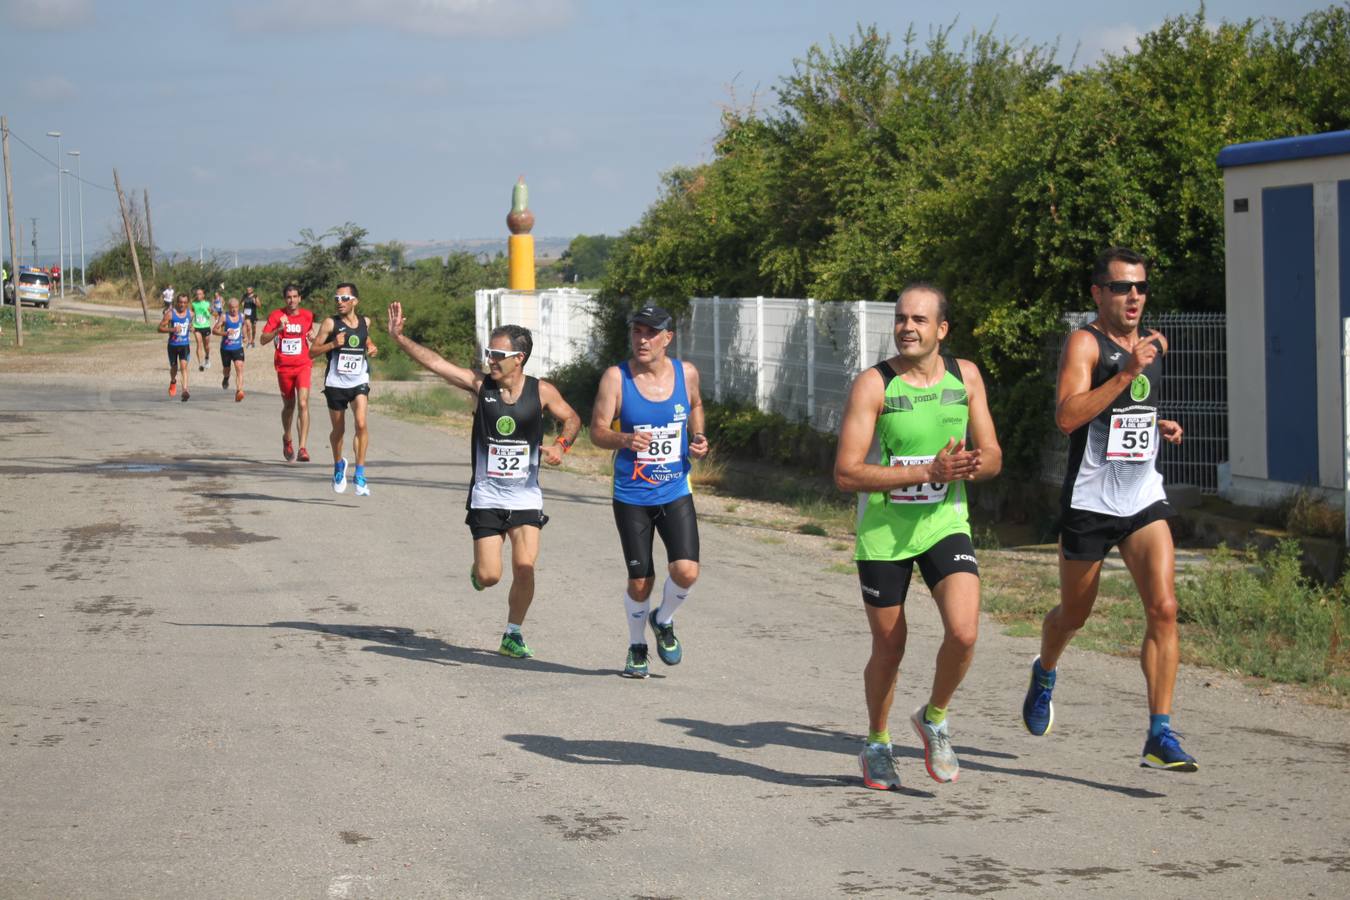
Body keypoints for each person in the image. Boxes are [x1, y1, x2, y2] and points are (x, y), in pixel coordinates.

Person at [1021, 246, 1196, 771]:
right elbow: (1069, 417)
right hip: (1091, 501)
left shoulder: (1149, 344)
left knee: (1164, 608)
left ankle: (1159, 734)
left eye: (1140, 286)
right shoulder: (1085, 343)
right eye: (1122, 287)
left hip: (1141, 494)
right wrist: (1124, 374)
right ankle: (1046, 669)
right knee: (1074, 614)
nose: (1134, 296)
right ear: (1099, 293)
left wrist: (1157, 425)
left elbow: (1131, 410)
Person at [834, 282, 1002, 790]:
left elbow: (993, 454)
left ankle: (934, 718)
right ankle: (878, 741)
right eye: (902, 318)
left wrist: (970, 467)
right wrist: (927, 470)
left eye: (920, 320)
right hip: (884, 534)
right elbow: (846, 473)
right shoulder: (875, 385)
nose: (908, 327)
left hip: (943, 525)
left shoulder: (965, 376)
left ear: (942, 330)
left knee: (965, 631)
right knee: (890, 647)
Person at [387, 301, 581, 659]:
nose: (489, 358)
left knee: (524, 568)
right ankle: (478, 572)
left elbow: (572, 418)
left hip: (524, 498)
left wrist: (561, 445)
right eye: (488, 351)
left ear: (518, 358)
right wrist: (400, 338)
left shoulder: (542, 391)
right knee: (491, 576)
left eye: (497, 353)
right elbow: (435, 363)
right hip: (487, 496)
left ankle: (513, 633)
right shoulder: (480, 386)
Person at [589, 306, 710, 679]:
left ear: (667, 338)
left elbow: (696, 404)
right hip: (632, 495)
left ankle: (664, 619)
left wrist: (699, 437)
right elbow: (596, 431)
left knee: (686, 571)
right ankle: (637, 645)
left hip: (675, 488)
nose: (642, 339)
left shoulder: (685, 373)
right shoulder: (616, 378)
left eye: (651, 333)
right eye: (637, 332)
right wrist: (624, 438)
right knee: (641, 581)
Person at [310, 283, 378, 496]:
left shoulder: (366, 321)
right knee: (339, 431)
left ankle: (360, 472)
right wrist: (332, 345)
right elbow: (313, 352)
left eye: (344, 298)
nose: (339, 302)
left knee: (361, 423)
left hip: (359, 380)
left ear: (355, 301)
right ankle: (339, 465)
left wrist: (371, 346)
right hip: (336, 383)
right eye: (337, 298)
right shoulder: (331, 323)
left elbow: (364, 336)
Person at [260, 284, 319, 462]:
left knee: (303, 403)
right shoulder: (277, 315)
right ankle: (287, 438)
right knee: (289, 406)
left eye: (295, 297)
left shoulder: (308, 316)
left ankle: (302, 448)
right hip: (284, 367)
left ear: (300, 298)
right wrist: (278, 329)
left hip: (303, 364)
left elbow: (312, 336)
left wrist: (313, 339)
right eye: (288, 297)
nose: (292, 300)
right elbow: (263, 339)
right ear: (285, 299)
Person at [157, 292, 193, 402]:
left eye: (185, 302)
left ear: (187, 303)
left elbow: (189, 324)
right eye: (180, 302)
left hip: (185, 345)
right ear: (177, 302)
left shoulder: (191, 314)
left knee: (183, 367)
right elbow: (159, 328)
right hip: (172, 345)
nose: (182, 304)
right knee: (174, 368)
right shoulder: (170, 314)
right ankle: (173, 381)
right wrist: (172, 329)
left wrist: (191, 328)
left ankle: (185, 391)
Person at [213, 296, 247, 402]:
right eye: (232, 307)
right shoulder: (224, 317)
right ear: (229, 307)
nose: (234, 309)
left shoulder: (242, 316)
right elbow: (214, 330)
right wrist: (225, 333)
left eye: (236, 307)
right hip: (226, 348)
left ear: (238, 307)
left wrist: (245, 335)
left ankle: (239, 391)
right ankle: (226, 378)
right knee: (227, 370)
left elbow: (244, 325)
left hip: (238, 347)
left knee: (239, 367)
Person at [190, 288, 214, 371]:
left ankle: (207, 357)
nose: (198, 295)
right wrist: (190, 324)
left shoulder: (207, 303)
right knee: (199, 344)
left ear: (203, 295)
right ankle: (200, 363)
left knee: (206, 346)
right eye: (197, 294)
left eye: (200, 294)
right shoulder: (194, 304)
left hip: (206, 327)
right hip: (197, 327)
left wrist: (210, 311)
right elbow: (191, 314)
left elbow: (214, 313)